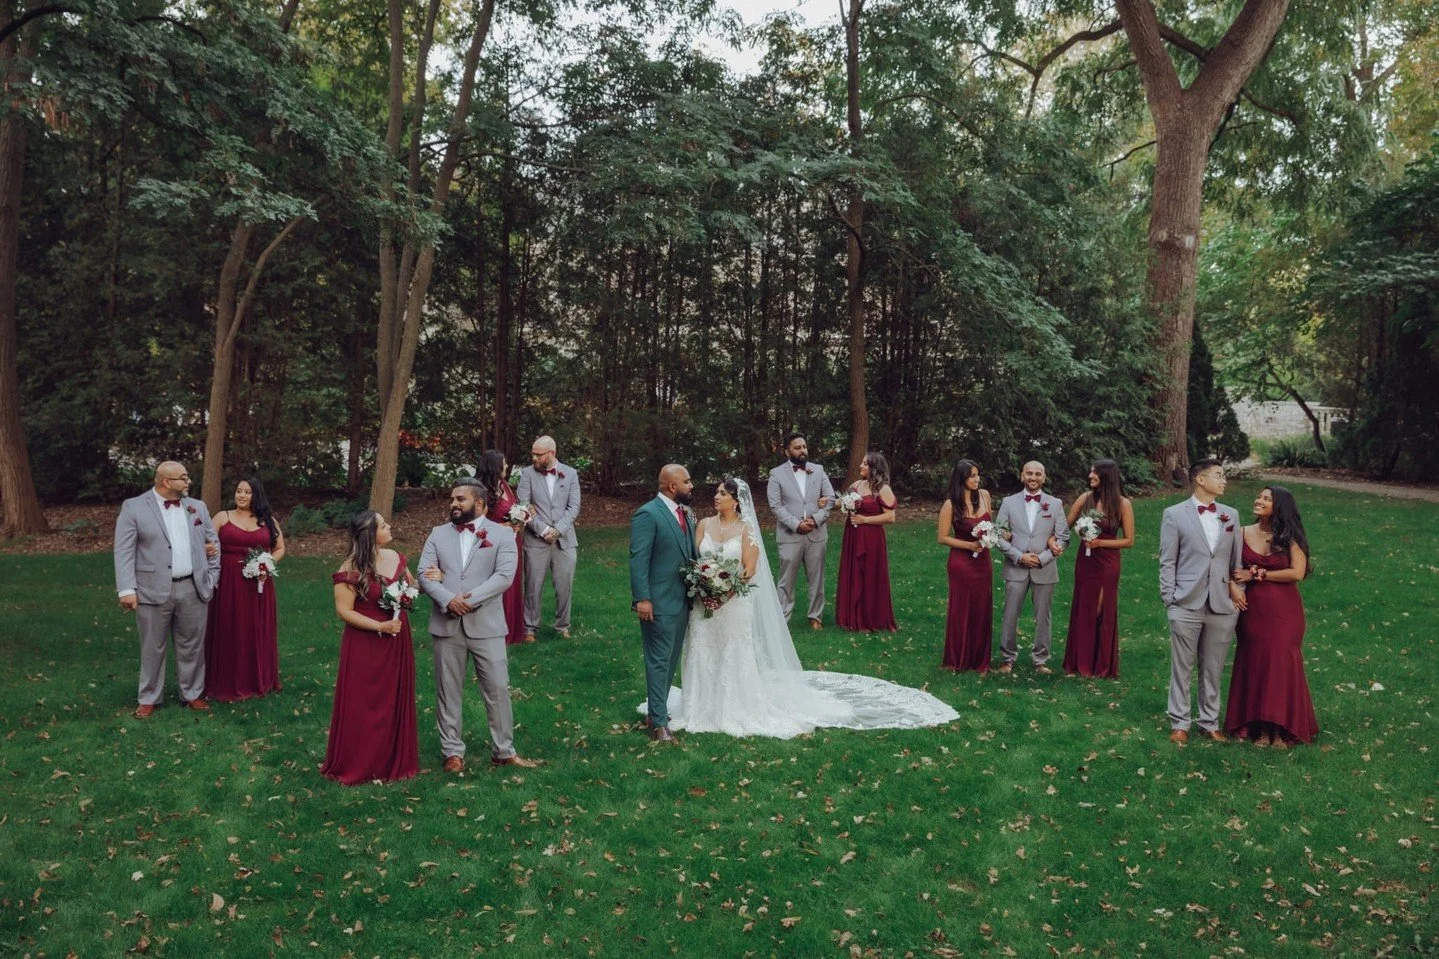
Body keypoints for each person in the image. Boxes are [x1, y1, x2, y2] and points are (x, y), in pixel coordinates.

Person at [638, 477, 958, 738]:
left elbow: (748, 570)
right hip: (703, 604)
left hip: (734, 603)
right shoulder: (702, 524)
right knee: (702, 651)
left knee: (734, 653)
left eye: (722, 493)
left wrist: (725, 592)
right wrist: (705, 585)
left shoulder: (747, 530)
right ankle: (699, 706)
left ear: (736, 500)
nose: (716, 497)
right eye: (717, 493)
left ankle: (734, 707)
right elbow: (696, 561)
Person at [417, 480, 538, 771]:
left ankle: (504, 751)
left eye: (460, 499)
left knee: (497, 689)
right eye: (451, 499)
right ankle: (452, 752)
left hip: (487, 624)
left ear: (480, 504)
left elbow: (504, 576)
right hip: (447, 625)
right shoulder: (437, 534)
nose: (453, 504)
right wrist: (449, 600)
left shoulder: (502, 535)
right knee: (448, 691)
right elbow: (423, 573)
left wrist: (467, 600)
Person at [113, 461, 221, 718]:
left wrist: (211, 578)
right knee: (152, 646)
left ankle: (192, 694)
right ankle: (149, 697)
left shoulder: (197, 507)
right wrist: (127, 589)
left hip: (192, 588)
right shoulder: (134, 507)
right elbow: (124, 550)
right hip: (151, 590)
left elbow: (212, 542)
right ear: (165, 482)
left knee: (192, 645)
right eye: (183, 478)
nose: (188, 482)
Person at [321, 512, 419, 784]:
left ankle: (392, 761)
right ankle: (360, 763)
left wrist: (420, 586)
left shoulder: (397, 557)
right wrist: (380, 627)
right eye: (384, 525)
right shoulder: (350, 568)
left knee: (392, 698)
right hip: (365, 643)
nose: (390, 527)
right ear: (369, 533)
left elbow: (409, 587)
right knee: (364, 701)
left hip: (397, 641)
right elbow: (344, 611)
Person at [1158, 458, 1246, 745]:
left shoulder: (1231, 515)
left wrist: (1237, 590)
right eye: (1218, 476)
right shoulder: (1174, 514)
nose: (1224, 481)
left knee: (1213, 666)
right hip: (1185, 601)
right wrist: (1169, 598)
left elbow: (1237, 562)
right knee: (1181, 666)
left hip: (1222, 605)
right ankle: (1180, 723)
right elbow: (1167, 560)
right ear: (1200, 480)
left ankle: (1209, 722)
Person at [1224, 486, 1319, 746]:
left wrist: (1258, 574)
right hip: (1252, 609)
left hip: (1284, 611)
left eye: (1267, 499)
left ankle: (1282, 728)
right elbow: (1227, 566)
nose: (1259, 500)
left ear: (1280, 507)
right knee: (1255, 663)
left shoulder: (1290, 537)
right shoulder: (1241, 532)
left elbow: (1296, 573)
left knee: (1280, 664)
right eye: (1259, 496)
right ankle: (1260, 728)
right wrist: (1233, 585)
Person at [629, 465, 698, 743]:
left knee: (670, 660)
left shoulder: (686, 514)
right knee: (659, 660)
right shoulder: (648, 514)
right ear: (672, 486)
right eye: (687, 481)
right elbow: (638, 559)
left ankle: (656, 711)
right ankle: (658, 723)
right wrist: (642, 598)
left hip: (682, 600)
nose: (691, 485)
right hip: (657, 602)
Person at [205, 476, 285, 701]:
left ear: (256, 495)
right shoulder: (223, 517)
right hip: (228, 580)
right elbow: (205, 542)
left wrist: (266, 564)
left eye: (247, 492)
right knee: (228, 626)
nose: (241, 495)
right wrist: (208, 548)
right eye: (239, 491)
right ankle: (224, 680)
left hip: (258, 583)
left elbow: (279, 548)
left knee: (255, 627)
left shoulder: (268, 521)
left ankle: (257, 678)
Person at [994, 461, 1071, 675]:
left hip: (1044, 568)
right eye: (1029, 473)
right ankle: (1007, 658)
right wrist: (1019, 557)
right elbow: (998, 535)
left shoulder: (1054, 504)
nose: (1033, 477)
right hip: (1016, 567)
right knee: (1010, 614)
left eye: (1038, 474)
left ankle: (1040, 659)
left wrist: (1043, 558)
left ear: (1044, 478)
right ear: (1022, 476)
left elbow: (1064, 537)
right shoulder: (1009, 502)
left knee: (1043, 615)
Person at [1061, 460, 1135, 678]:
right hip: (1085, 562)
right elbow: (1065, 525)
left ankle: (1099, 664)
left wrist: (1100, 543)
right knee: (1084, 606)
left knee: (1100, 608)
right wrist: (1051, 539)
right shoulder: (1085, 499)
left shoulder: (1122, 504)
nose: (1090, 475)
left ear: (1107, 476)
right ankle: (1079, 662)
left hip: (1108, 563)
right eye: (1091, 471)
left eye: (1095, 472)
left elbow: (1129, 541)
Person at [766, 432, 837, 629]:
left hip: (817, 534)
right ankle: (783, 619)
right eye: (797, 448)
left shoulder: (818, 470)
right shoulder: (776, 474)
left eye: (804, 446)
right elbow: (775, 506)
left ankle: (816, 617)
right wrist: (797, 524)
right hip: (790, 534)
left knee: (817, 578)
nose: (802, 450)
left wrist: (815, 520)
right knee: (786, 580)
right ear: (787, 451)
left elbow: (830, 498)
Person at [516, 435, 581, 641]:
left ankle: (562, 626)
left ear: (551, 454)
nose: (534, 458)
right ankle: (529, 628)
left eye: (538, 454)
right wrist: (544, 531)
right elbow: (524, 505)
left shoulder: (570, 474)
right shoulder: (526, 474)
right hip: (536, 540)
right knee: (533, 585)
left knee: (564, 585)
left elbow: (574, 507)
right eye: (532, 454)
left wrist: (558, 530)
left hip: (565, 540)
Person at [937, 460, 994, 673]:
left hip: (983, 562)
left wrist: (991, 538)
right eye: (971, 476)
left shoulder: (985, 496)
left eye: (977, 475)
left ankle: (980, 659)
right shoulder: (951, 504)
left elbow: (990, 526)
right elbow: (942, 538)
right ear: (961, 479)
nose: (976, 479)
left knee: (982, 607)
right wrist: (970, 544)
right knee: (962, 608)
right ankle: (957, 658)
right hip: (962, 562)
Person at [835, 452, 898, 632]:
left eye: (865, 463)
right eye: (862, 463)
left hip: (872, 538)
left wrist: (864, 520)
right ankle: (852, 617)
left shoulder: (882, 489)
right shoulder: (856, 485)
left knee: (870, 574)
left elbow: (890, 517)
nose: (860, 466)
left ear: (874, 468)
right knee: (853, 572)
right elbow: (842, 502)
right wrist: (829, 502)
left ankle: (872, 617)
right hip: (853, 536)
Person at [476, 450, 528, 646]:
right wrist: (503, 526)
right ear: (494, 466)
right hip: (490, 543)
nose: (506, 466)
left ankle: (512, 630)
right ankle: (494, 630)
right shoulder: (481, 490)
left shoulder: (504, 485)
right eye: (503, 463)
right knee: (497, 583)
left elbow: (512, 510)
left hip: (512, 541)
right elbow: (477, 523)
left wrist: (519, 519)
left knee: (512, 582)